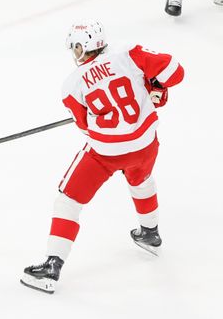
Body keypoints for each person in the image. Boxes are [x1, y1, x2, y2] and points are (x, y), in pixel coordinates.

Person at [20, 21, 184, 294]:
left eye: (76, 47)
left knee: (68, 200)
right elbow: (175, 71)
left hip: (106, 153)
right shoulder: (128, 54)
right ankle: (150, 233)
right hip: (145, 143)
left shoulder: (71, 85)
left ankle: (52, 266)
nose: (75, 53)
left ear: (84, 47)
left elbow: (85, 126)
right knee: (141, 178)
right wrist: (152, 83)